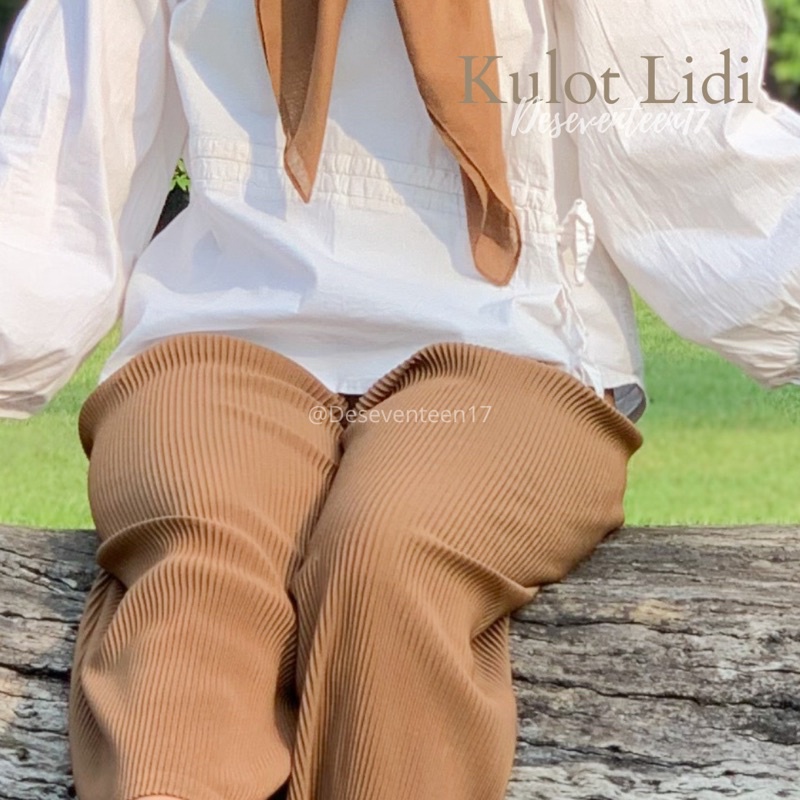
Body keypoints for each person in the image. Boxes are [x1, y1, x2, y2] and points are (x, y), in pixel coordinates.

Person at [1, 1, 798, 799]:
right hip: (225, 321)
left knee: (391, 553)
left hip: (512, 338)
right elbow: (60, 160)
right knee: (200, 561)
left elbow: (688, 142)